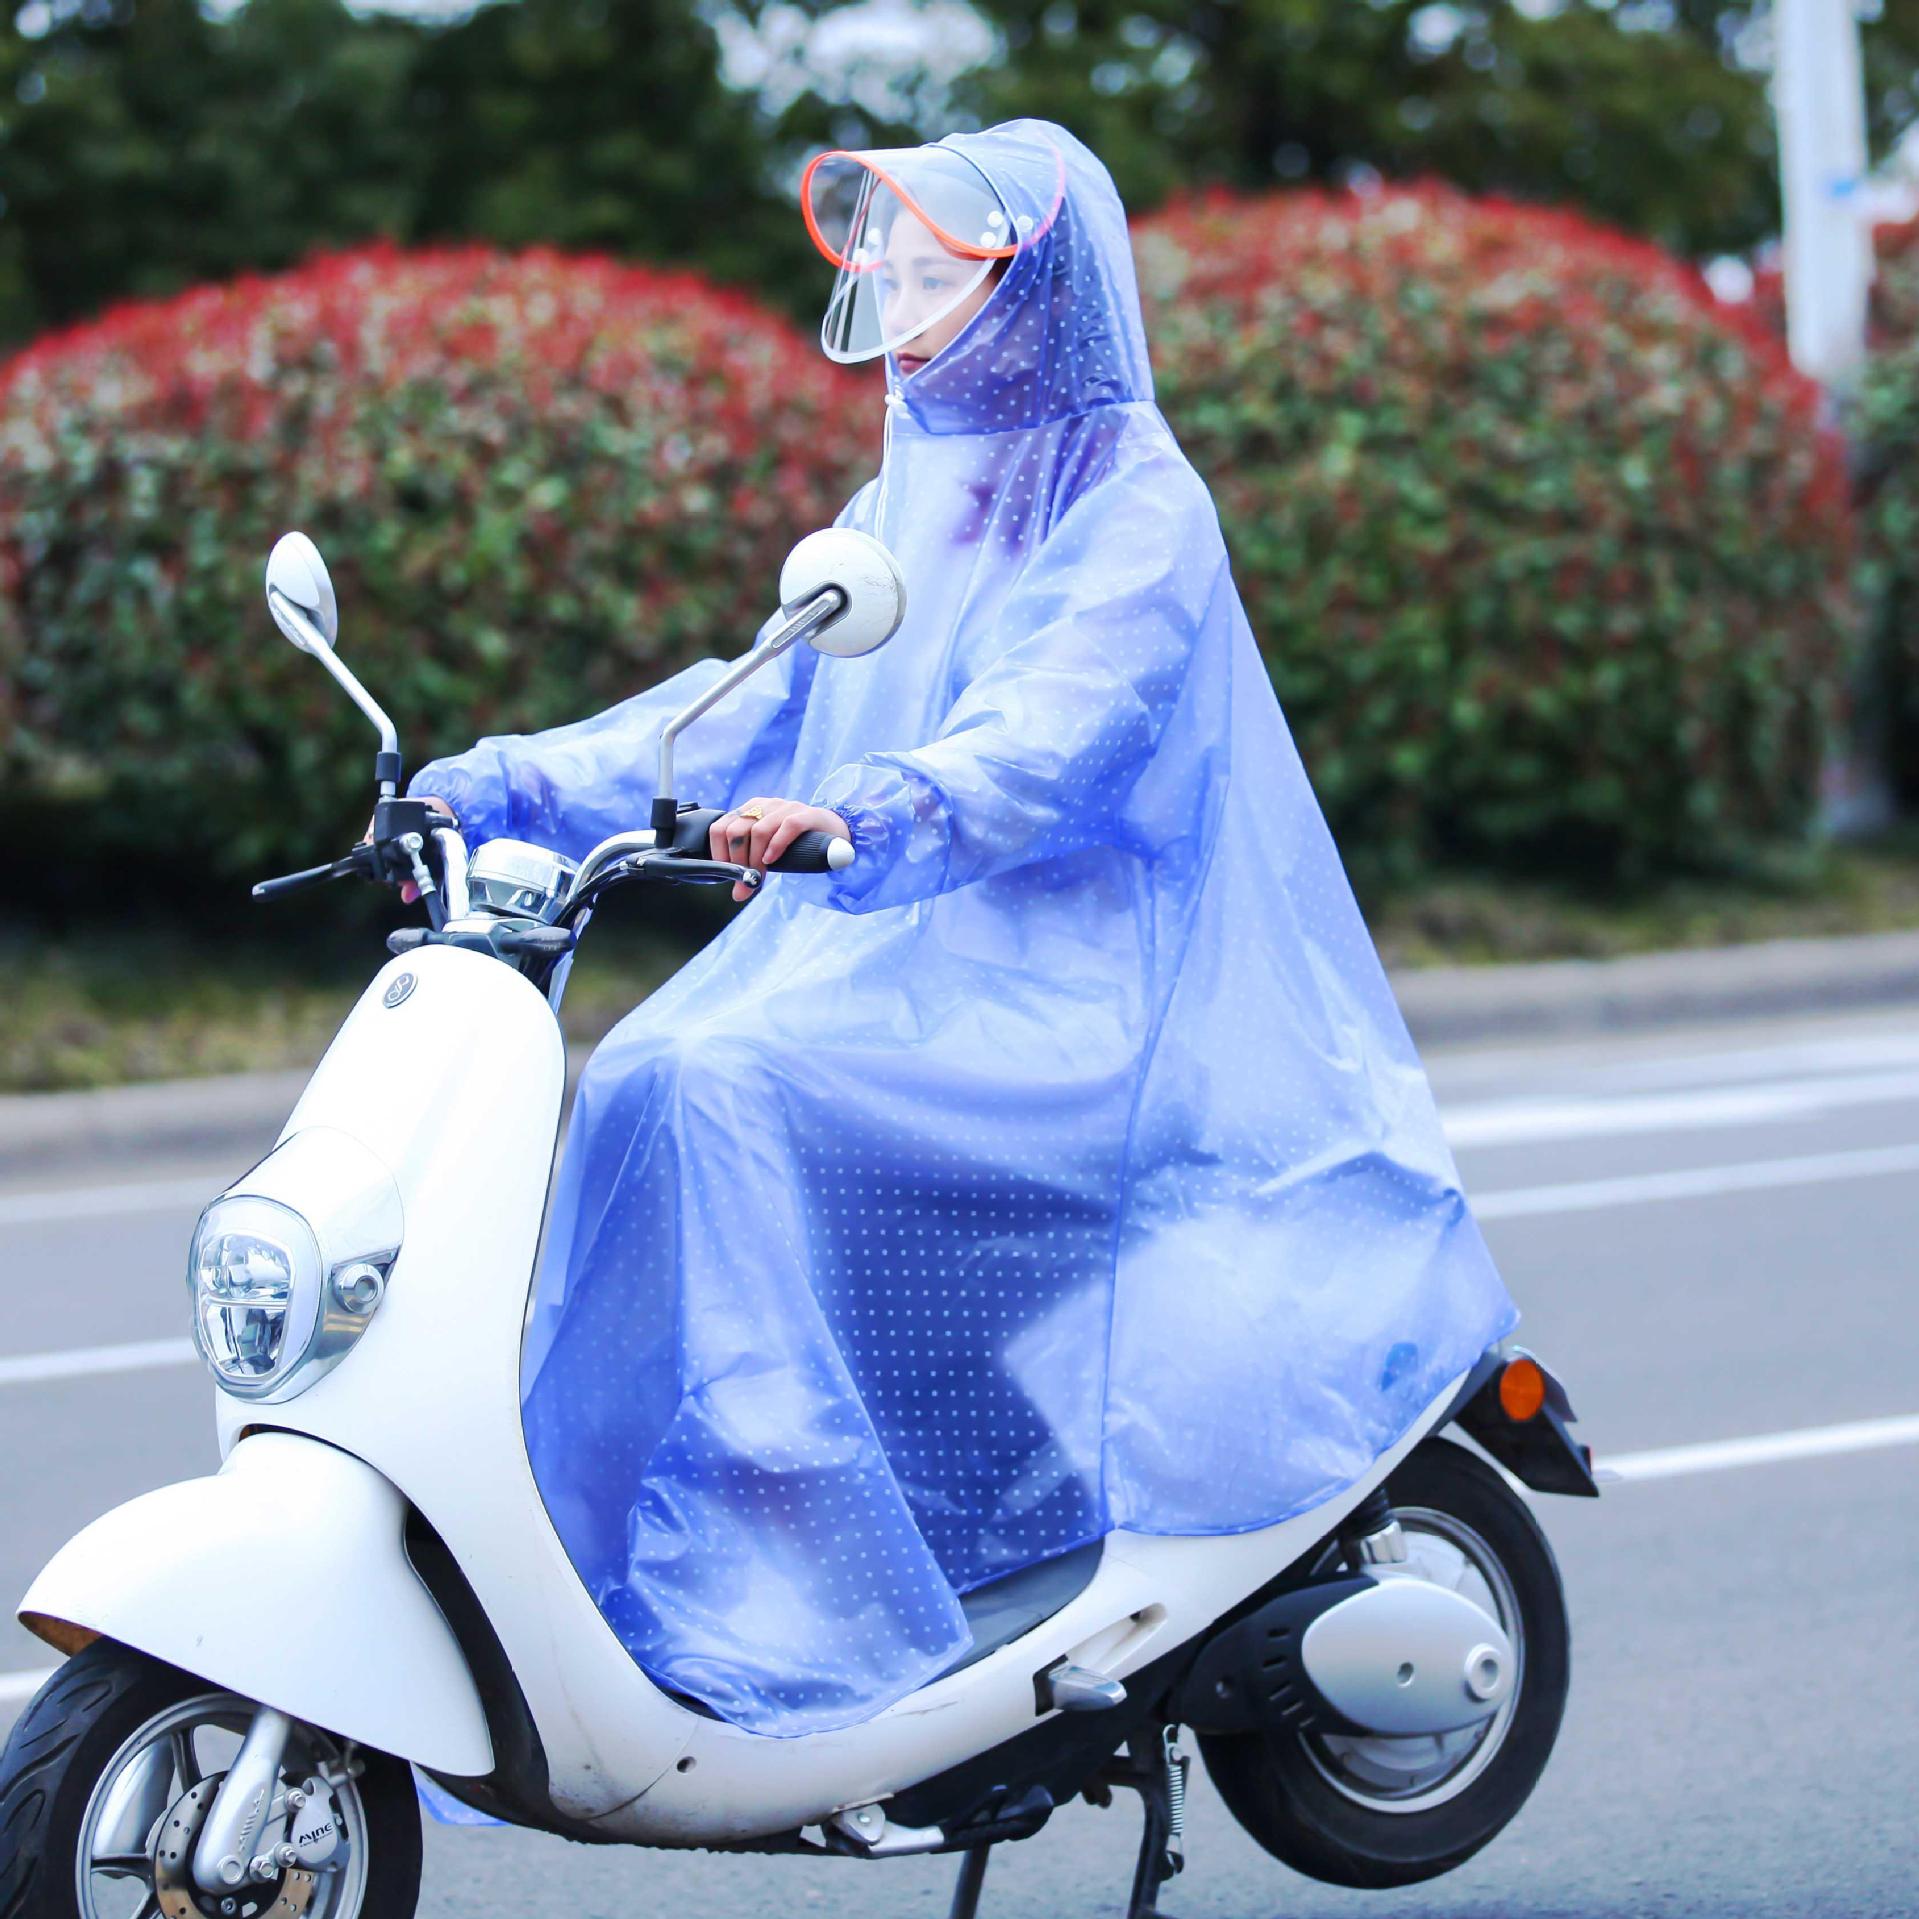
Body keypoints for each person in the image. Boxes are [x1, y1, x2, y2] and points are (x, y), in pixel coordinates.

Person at [406, 121, 1517, 1738]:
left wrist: (878, 812)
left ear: (1037, 297)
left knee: (712, 1082)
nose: (908, 313)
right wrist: (502, 787)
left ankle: (798, 1582)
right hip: (900, 975)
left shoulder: (1138, 505)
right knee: (650, 1072)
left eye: (945, 280)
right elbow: (748, 705)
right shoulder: (905, 506)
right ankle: (625, 1565)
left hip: (1091, 1010)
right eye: (897, 276)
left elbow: (1058, 730)